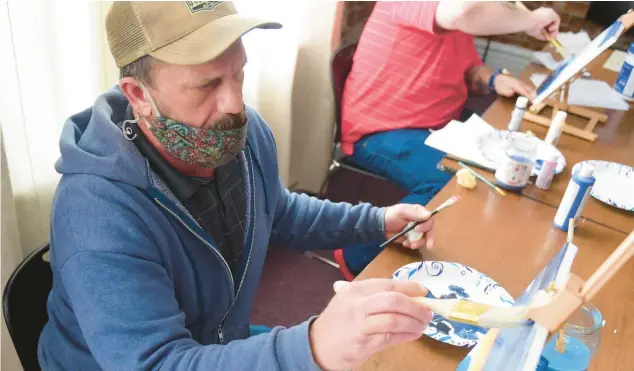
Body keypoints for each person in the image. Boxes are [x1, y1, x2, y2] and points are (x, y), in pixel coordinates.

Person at [37, 2, 437, 370]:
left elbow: (277, 211)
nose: (234, 103)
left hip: (218, 342)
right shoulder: (95, 213)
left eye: (238, 73)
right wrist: (313, 346)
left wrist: (378, 221)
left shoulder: (237, 136)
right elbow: (155, 363)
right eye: (207, 85)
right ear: (139, 95)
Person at [338, 1, 561, 276]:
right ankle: (357, 254)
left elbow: (468, 69)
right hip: (380, 130)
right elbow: (464, 12)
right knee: (455, 179)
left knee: (500, 158)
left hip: (439, 124)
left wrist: (493, 80)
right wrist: (531, 19)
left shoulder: (452, 12)